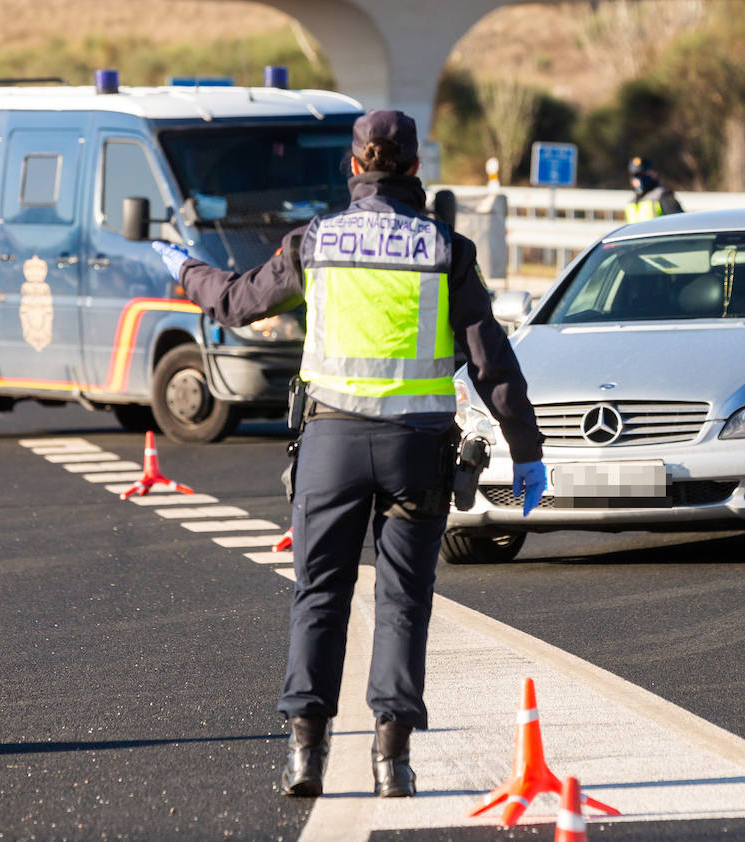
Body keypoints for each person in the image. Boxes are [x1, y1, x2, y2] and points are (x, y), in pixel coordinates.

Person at [153, 110, 547, 797]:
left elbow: (240, 303)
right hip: (417, 452)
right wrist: (527, 449)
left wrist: (185, 271)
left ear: (354, 167)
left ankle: (306, 755)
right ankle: (391, 763)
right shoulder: (445, 249)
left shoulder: (315, 241)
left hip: (331, 446)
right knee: (402, 603)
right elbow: (494, 365)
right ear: (416, 169)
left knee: (319, 598)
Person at [625, 156, 684, 222]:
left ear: (653, 174)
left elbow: (679, 222)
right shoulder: (631, 202)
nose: (639, 180)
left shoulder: (663, 195)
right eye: (636, 176)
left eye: (643, 175)